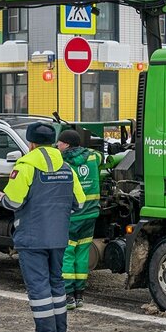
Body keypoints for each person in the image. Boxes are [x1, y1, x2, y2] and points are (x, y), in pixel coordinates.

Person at [0, 122, 85, 332]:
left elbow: (14, 200)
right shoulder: (66, 168)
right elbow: (80, 202)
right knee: (56, 283)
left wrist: (3, 198)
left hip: (32, 237)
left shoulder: (25, 166)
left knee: (39, 287)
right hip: (58, 237)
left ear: (32, 144)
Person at [57, 128, 101, 310]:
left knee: (67, 252)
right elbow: (100, 156)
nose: (57, 145)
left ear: (66, 144)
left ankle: (67, 296)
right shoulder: (93, 157)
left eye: (59, 142)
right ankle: (79, 294)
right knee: (83, 252)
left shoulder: (62, 161)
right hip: (91, 213)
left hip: (72, 214)